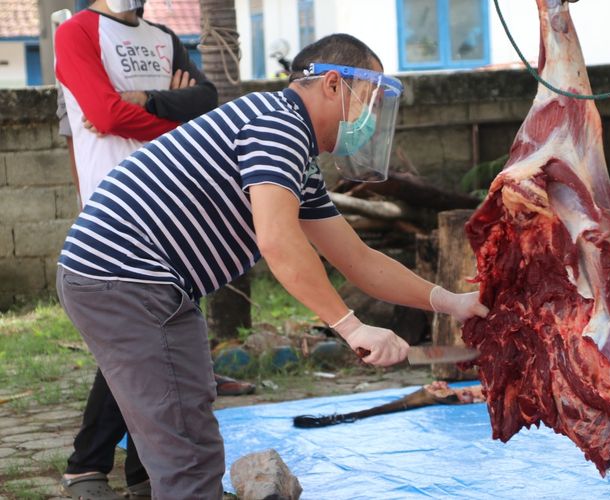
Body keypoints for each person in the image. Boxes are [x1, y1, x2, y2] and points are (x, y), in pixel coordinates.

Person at [56, 33, 489, 498]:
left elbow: (358, 259)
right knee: (187, 442)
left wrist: (451, 302)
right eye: (369, 99)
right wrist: (352, 327)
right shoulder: (278, 125)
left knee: (184, 413)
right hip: (125, 275)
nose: (371, 116)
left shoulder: (296, 154)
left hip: (134, 278)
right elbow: (279, 241)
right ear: (332, 84)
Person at [54, 1, 249, 498]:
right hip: (114, 212)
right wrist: (177, 124)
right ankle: (88, 465)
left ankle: (136, 471)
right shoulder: (76, 33)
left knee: (154, 344)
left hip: (176, 207)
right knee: (139, 344)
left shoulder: (163, 36)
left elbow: (206, 100)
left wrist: (145, 103)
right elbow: (101, 113)